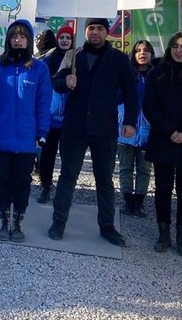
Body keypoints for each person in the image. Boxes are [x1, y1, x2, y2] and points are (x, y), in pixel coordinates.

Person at [48, 18, 138, 246]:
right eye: (91, 29)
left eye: (99, 29)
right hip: (74, 127)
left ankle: (107, 226)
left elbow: (130, 92)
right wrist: (64, 81)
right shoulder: (73, 56)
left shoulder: (119, 59)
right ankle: (58, 222)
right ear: (85, 31)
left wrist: (129, 121)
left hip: (104, 128)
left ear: (107, 32)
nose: (95, 33)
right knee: (68, 176)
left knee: (105, 180)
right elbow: (56, 83)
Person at [0, 20, 52, 242]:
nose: (18, 40)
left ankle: (18, 220)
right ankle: (4, 220)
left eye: (22, 36)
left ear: (29, 40)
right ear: (8, 40)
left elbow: (43, 103)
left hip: (26, 137)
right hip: (0, 135)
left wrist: (42, 132)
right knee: (2, 180)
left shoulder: (39, 69)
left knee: (22, 181)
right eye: (14, 36)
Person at [142, 32, 182, 257]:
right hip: (163, 138)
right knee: (163, 188)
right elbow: (150, 106)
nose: (179, 50)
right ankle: (163, 232)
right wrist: (170, 130)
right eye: (175, 45)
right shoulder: (157, 73)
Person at [118, 40, 156, 218]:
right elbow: (117, 96)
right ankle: (127, 200)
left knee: (144, 169)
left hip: (149, 129)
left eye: (147, 50)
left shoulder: (156, 75)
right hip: (126, 125)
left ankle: (139, 203)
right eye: (139, 50)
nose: (142, 53)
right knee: (125, 167)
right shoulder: (126, 73)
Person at [37, 26, 73, 203]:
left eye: (68, 37)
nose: (65, 40)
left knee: (68, 157)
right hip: (50, 116)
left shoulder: (77, 60)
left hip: (70, 117)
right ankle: (45, 186)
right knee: (47, 154)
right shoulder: (48, 61)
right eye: (62, 37)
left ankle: (65, 190)